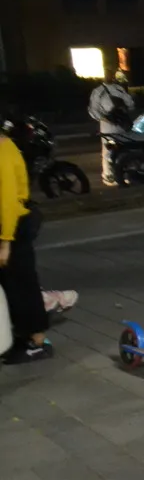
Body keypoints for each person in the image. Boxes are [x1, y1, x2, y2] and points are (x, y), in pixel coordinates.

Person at [0, 130, 54, 363]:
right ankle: (24, 336)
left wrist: (5, 242)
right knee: (14, 285)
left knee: (21, 285)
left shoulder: (3, 150)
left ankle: (36, 341)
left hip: (12, 228)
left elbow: (8, 200)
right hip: (9, 227)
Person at [87, 72, 135, 186]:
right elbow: (93, 110)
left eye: (110, 74)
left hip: (121, 124)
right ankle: (109, 175)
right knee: (109, 150)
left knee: (124, 148)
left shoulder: (118, 88)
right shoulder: (98, 91)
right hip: (108, 125)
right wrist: (106, 119)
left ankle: (124, 173)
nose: (109, 76)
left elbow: (130, 103)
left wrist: (123, 112)